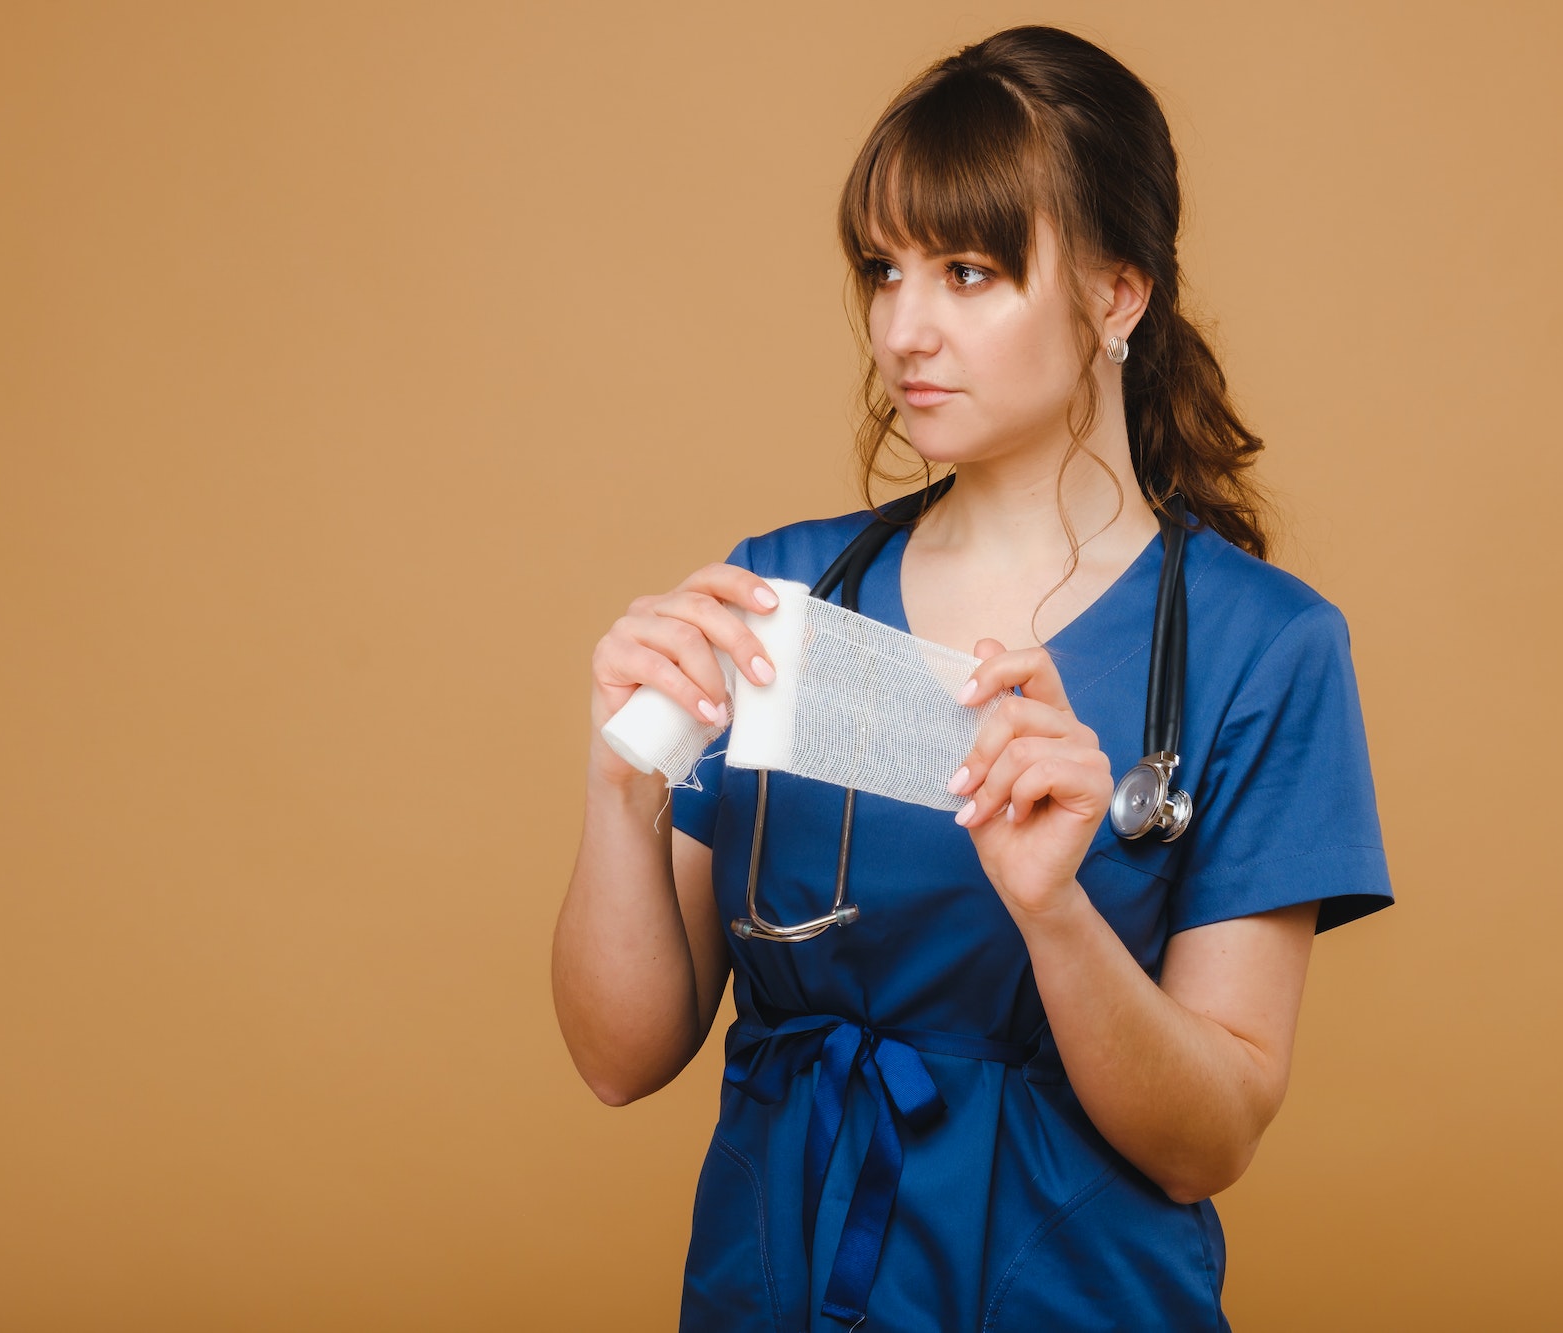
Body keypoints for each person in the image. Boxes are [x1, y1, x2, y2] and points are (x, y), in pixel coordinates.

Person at [553, 25, 1394, 1331]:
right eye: (885, 271)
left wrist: (1057, 910)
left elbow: (1208, 1137)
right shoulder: (782, 597)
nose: (905, 329)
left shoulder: (1258, 648)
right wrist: (621, 786)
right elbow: (619, 1056)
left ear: (1120, 296)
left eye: (968, 271)